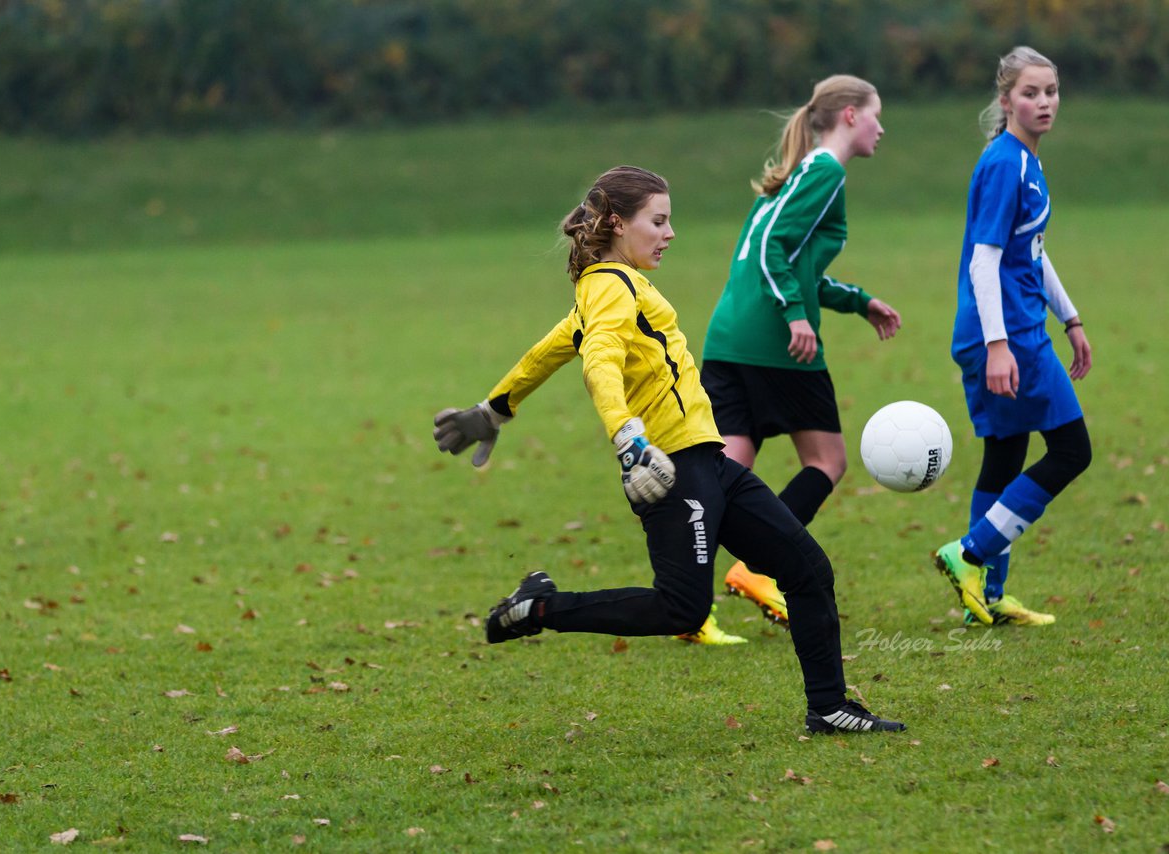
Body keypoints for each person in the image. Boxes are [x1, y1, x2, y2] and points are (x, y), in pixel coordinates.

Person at [433, 165, 903, 734]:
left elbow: (551, 349)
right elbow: (598, 363)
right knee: (682, 607)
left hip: (710, 462)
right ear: (616, 224)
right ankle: (539, 607)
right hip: (671, 469)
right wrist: (629, 438)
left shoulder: (610, 287)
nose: (670, 233)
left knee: (806, 569)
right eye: (658, 221)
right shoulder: (609, 286)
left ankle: (829, 708)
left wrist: (494, 409)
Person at [692, 75, 903, 642]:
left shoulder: (801, 171)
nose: (882, 127)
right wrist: (796, 316)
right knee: (828, 461)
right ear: (851, 116)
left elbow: (790, 262)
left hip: (729, 337)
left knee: (723, 477)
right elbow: (772, 251)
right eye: (876, 114)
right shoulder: (825, 172)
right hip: (775, 346)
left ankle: (687, 607)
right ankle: (759, 570)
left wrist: (855, 301)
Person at [933, 47, 1093, 626]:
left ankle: (988, 599)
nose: (1044, 102)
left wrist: (1070, 317)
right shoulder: (1007, 162)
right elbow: (984, 260)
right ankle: (970, 554)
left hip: (1008, 328)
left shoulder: (1023, 159)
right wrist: (1000, 344)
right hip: (1010, 334)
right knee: (1073, 451)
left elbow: (1032, 253)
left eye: (1051, 91)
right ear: (1006, 101)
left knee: (1004, 457)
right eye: (1030, 93)